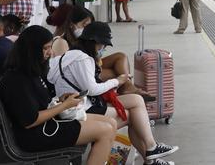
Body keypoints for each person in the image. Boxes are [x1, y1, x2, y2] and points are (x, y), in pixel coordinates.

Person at [48, 23, 178, 164]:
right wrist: (118, 81)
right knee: (132, 116)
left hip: (82, 104)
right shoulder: (82, 59)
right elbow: (92, 89)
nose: (103, 49)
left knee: (136, 100)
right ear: (93, 42)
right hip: (81, 108)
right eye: (102, 45)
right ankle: (151, 154)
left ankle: (151, 149)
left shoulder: (74, 55)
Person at [0, 25, 114, 165]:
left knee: (110, 122)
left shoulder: (29, 71)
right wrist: (64, 106)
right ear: (30, 49)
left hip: (47, 125)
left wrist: (59, 100)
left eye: (50, 47)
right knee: (105, 131)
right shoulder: (17, 80)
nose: (50, 52)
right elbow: (30, 121)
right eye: (45, 48)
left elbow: (38, 104)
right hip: (37, 135)